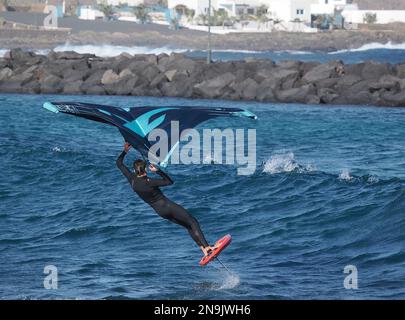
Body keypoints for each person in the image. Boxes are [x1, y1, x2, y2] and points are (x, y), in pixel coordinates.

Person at [116, 142, 216, 257]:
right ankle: (208, 248)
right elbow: (169, 182)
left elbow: (119, 163)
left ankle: (203, 249)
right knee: (192, 221)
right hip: (167, 206)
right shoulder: (150, 182)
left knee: (187, 226)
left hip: (159, 211)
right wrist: (158, 171)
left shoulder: (132, 180)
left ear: (134, 170)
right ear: (145, 170)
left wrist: (125, 151)